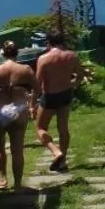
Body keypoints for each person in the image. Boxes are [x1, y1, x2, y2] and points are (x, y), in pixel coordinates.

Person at [0, 41, 37, 190]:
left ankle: (2, 180)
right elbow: (37, 88)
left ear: (2, 54)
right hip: (18, 109)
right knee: (17, 149)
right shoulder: (25, 69)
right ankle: (18, 184)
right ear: (17, 53)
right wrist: (32, 104)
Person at [35, 31, 81, 172]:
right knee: (63, 128)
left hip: (50, 96)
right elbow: (79, 76)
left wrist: (32, 102)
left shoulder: (44, 58)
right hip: (66, 94)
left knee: (40, 128)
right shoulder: (72, 56)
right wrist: (71, 84)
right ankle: (63, 162)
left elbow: (38, 82)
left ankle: (56, 152)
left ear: (48, 42)